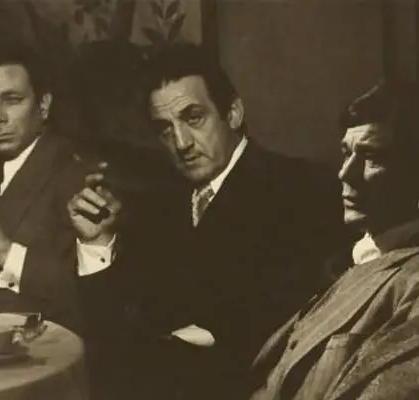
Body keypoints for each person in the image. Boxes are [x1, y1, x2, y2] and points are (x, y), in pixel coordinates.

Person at [69, 44, 348, 400]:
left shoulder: (301, 188)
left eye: (194, 118)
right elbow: (112, 328)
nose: (181, 142)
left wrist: (158, 344)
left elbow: (289, 322)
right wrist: (97, 243)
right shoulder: (158, 203)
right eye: (165, 129)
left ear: (233, 113)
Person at [249, 81, 419, 400]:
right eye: (346, 153)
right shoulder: (348, 263)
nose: (345, 173)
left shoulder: (411, 280)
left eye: (371, 156)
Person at [0, 34, 112, 331]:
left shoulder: (81, 178)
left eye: (12, 100)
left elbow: (93, 301)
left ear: (44, 105)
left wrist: (4, 252)